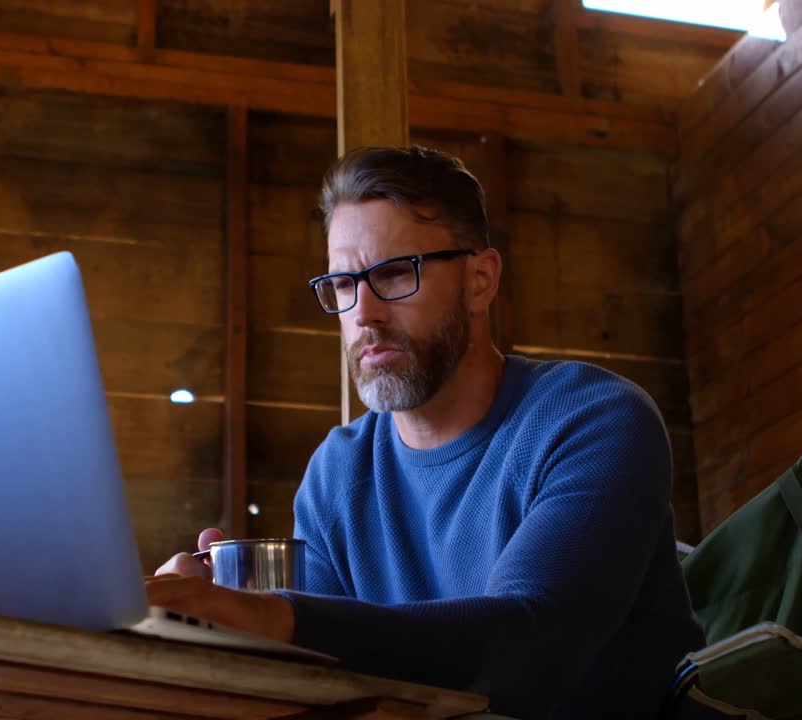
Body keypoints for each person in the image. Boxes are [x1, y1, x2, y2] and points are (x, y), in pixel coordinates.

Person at [147, 145, 706, 718]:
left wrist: (274, 619)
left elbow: (529, 644)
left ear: (480, 280)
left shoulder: (592, 420)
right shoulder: (337, 473)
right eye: (343, 284)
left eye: (395, 273)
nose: (363, 313)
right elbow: (320, 674)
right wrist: (216, 621)